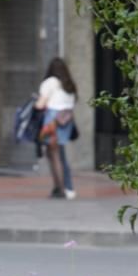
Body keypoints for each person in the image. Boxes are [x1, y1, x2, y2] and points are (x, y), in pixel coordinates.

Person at [35, 57, 77, 200]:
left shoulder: (50, 82)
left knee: (54, 155)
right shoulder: (69, 83)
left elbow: (40, 105)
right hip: (66, 119)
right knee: (58, 153)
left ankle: (62, 188)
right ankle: (64, 187)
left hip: (52, 120)